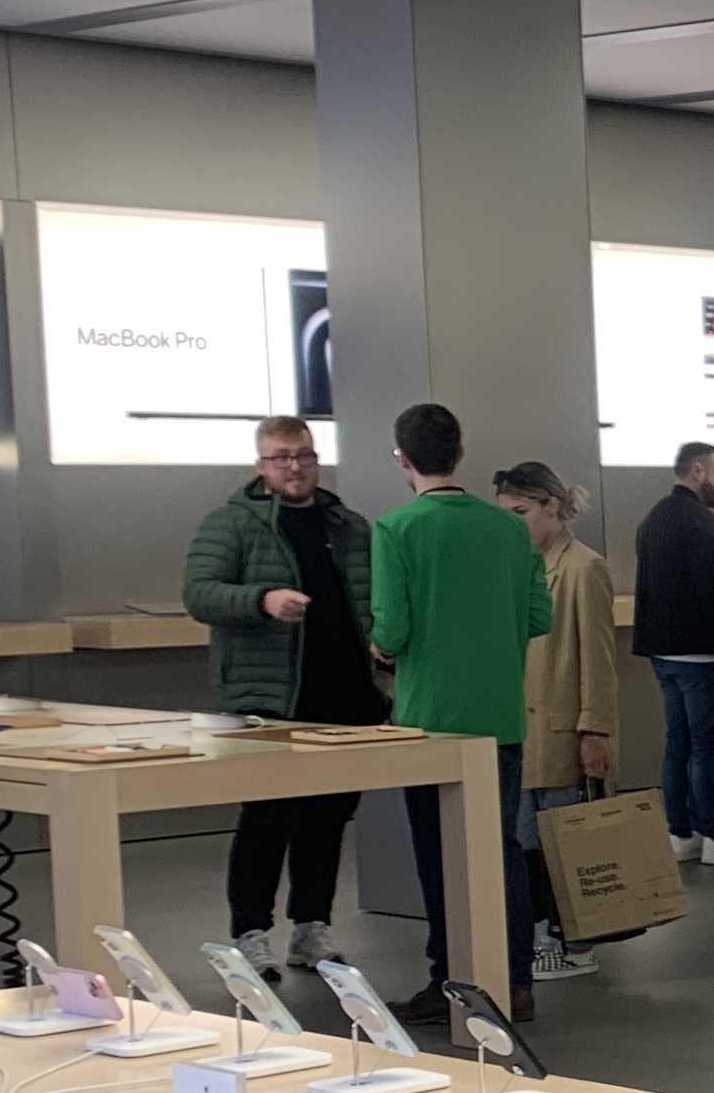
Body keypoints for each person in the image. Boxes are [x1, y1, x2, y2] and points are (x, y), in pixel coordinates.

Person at [369, 400, 552, 1003]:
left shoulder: (396, 529)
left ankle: (448, 979)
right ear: (462, 452)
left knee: (438, 851)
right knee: (499, 845)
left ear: (402, 459)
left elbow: (392, 629)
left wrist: (384, 648)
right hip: (499, 712)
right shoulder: (509, 527)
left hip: (430, 719)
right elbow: (537, 615)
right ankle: (517, 979)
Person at [182, 415, 379, 970]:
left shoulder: (347, 524)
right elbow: (199, 594)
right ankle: (250, 931)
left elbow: (374, 596)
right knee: (267, 816)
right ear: (260, 466)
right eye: (280, 457)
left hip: (346, 694)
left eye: (303, 455)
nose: (294, 466)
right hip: (271, 697)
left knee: (329, 816)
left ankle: (312, 927)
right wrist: (261, 599)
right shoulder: (230, 523)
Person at [493, 462, 618, 981]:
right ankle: (546, 932)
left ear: (551, 506)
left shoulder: (584, 567)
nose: (514, 524)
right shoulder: (516, 566)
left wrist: (595, 728)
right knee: (527, 844)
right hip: (523, 728)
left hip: (564, 728)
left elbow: (599, 657)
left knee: (568, 843)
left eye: (520, 512)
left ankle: (577, 940)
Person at [632, 442, 714, 865]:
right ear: (696, 471)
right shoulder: (700, 525)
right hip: (701, 654)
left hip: (662, 652)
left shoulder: (654, 519)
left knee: (678, 743)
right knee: (707, 746)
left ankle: (681, 832)